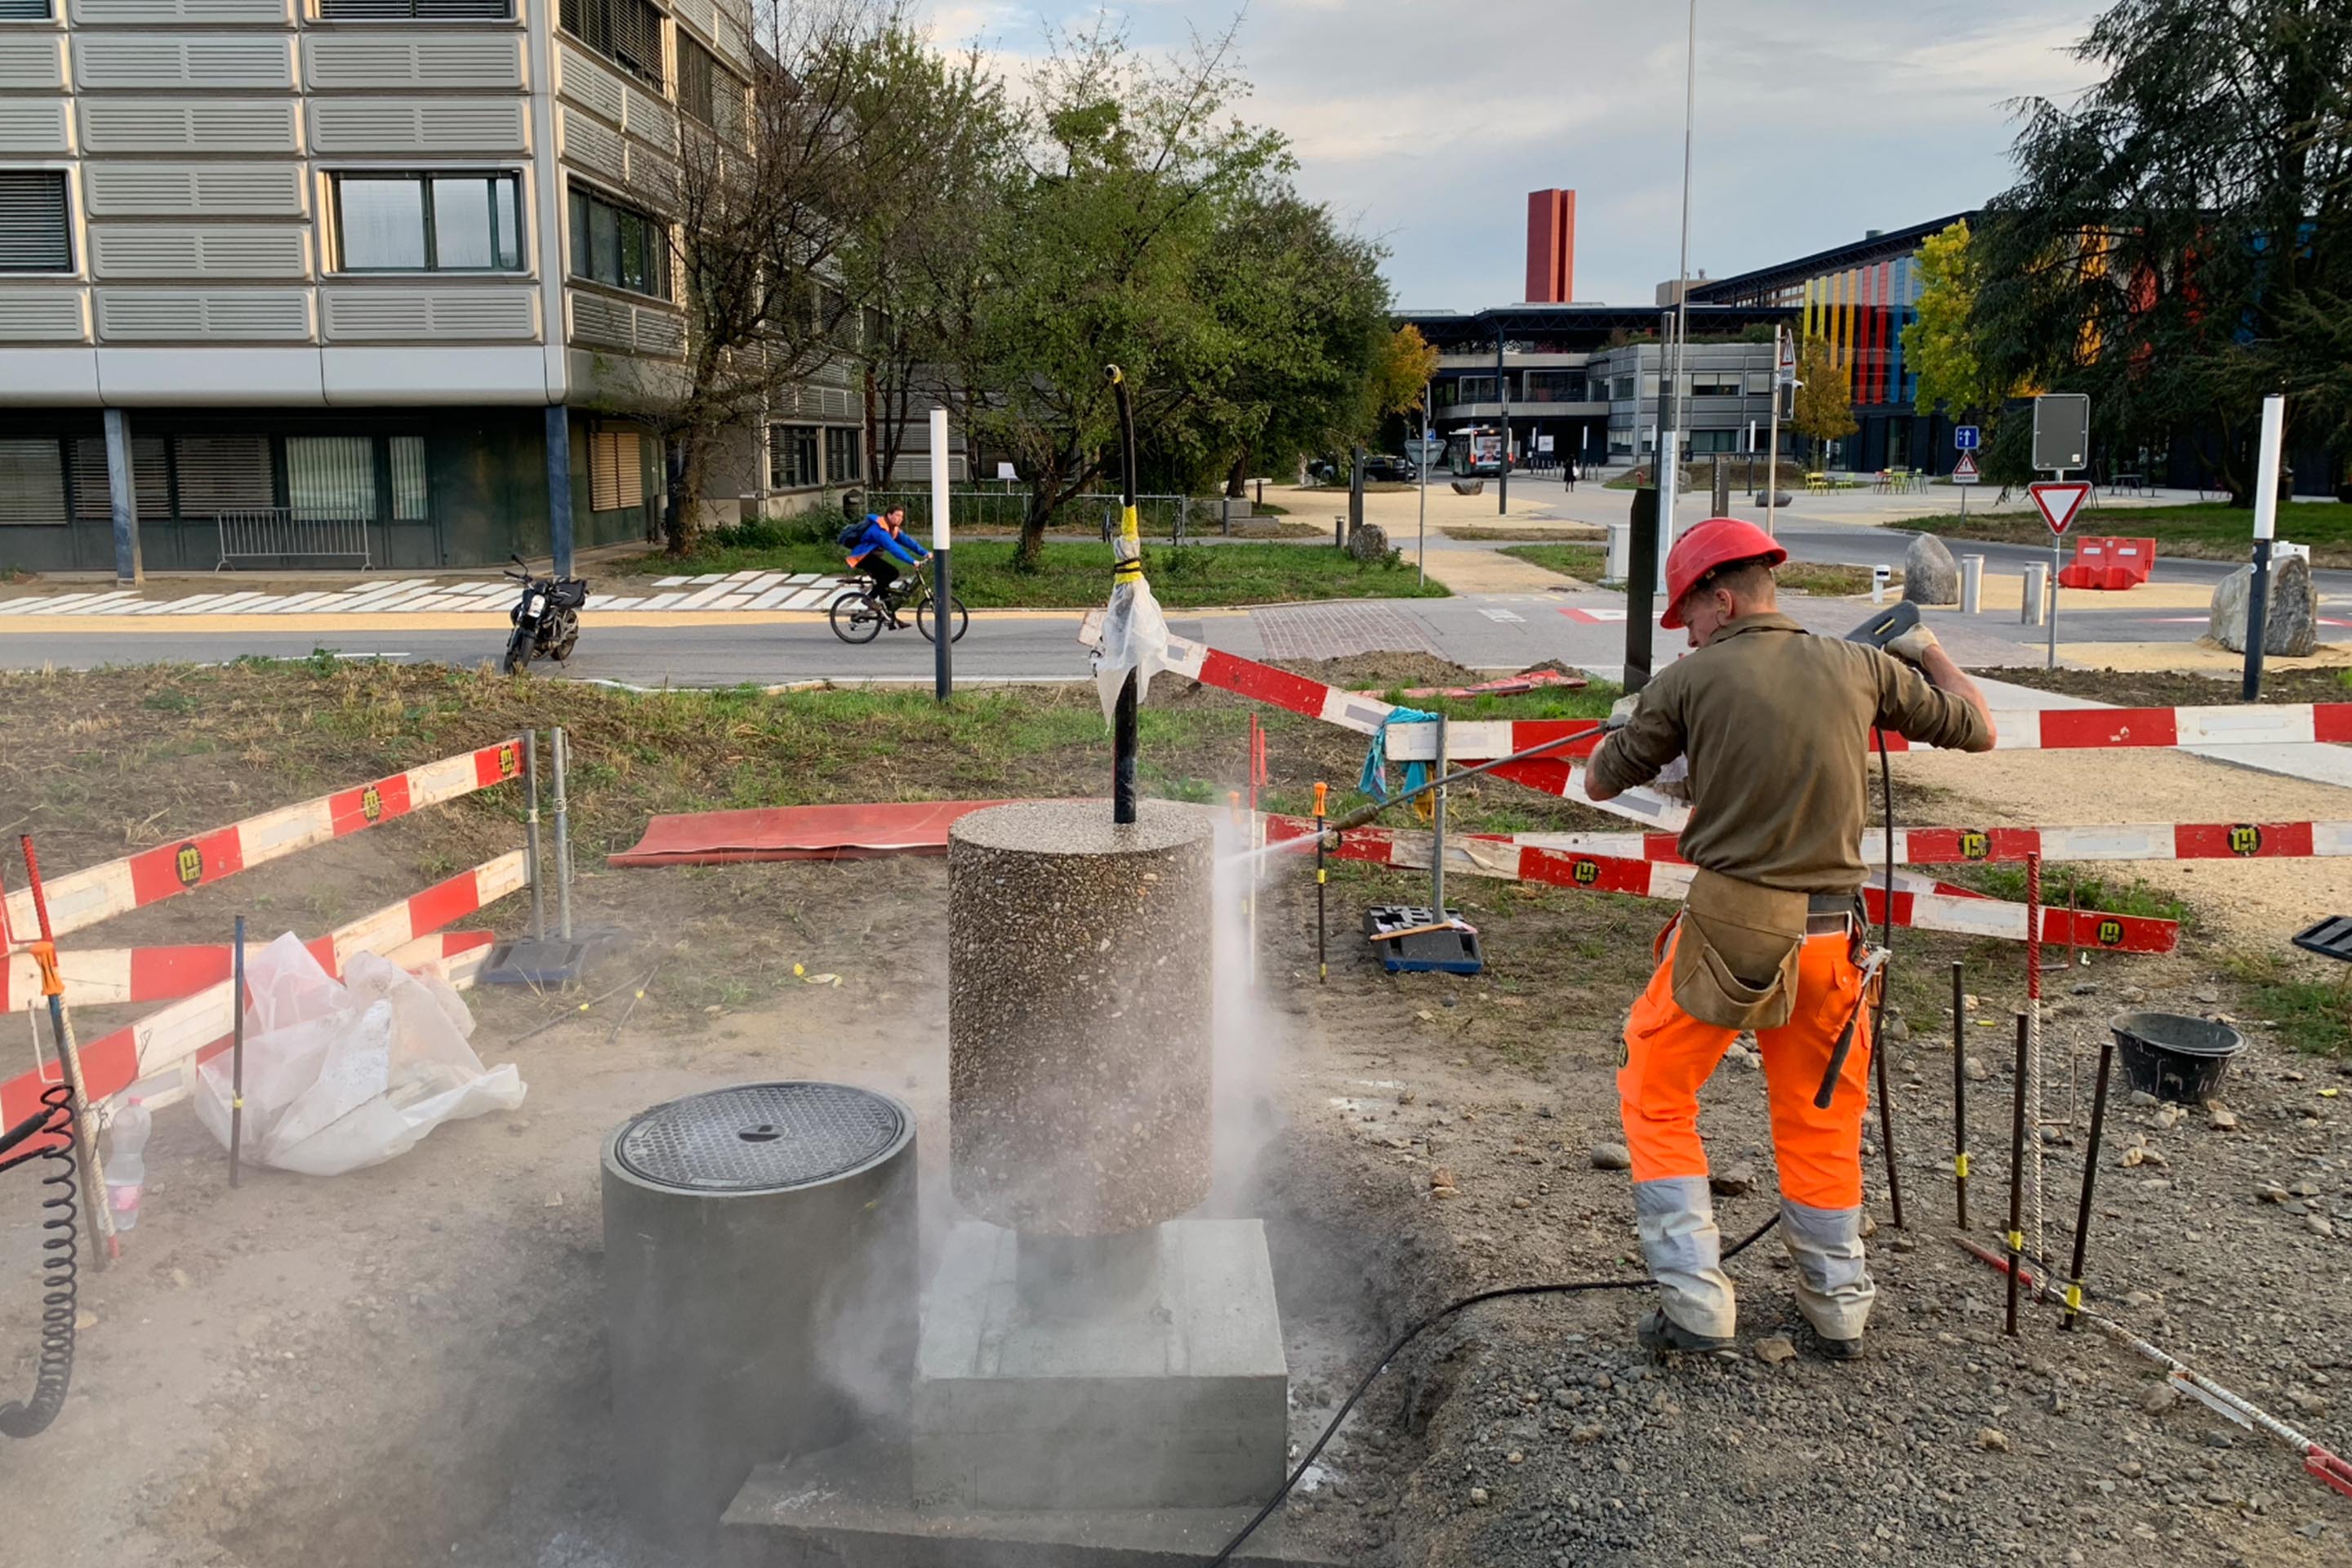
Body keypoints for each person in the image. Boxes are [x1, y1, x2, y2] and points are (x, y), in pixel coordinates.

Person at [1585, 517, 1995, 1362]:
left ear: (1722, 600)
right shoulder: (1861, 666)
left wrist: (1631, 724)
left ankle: (1696, 1301)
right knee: (1820, 1116)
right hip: (1833, 939)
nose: (1687, 635)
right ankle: (1837, 1302)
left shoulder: (1691, 679)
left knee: (1654, 1086)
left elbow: (1600, 779)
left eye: (1688, 618)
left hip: (1731, 932)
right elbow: (1978, 727)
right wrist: (1924, 646)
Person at [845, 505, 929, 612]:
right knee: (892, 573)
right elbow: (894, 549)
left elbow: (908, 542)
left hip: (872, 556)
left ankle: (889, 616)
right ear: (889, 515)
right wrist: (912, 561)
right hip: (862, 557)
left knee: (884, 585)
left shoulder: (892, 529)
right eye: (897, 515)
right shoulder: (879, 530)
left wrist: (925, 553)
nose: (900, 519)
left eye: (902, 516)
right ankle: (869, 598)